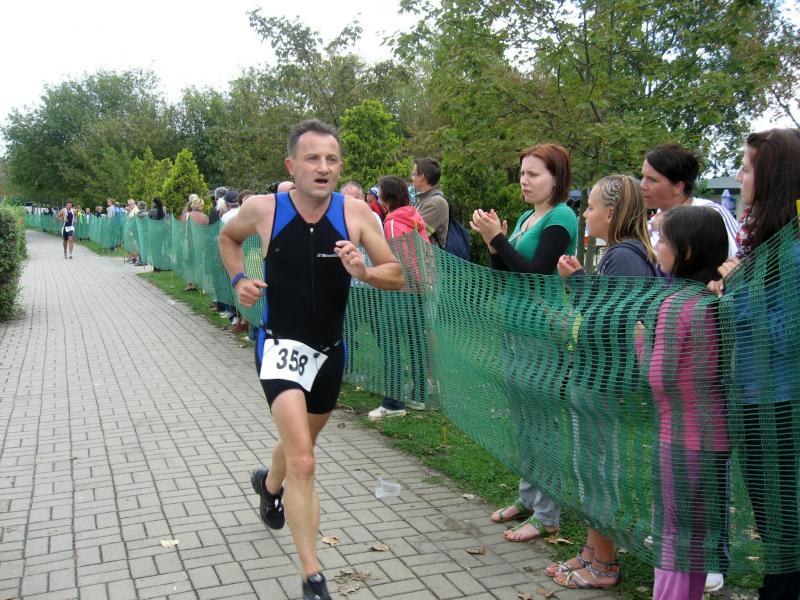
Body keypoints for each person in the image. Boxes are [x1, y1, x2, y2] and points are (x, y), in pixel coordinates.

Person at [219, 119, 403, 600]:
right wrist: (238, 281)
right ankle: (312, 576)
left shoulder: (356, 212)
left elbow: (397, 274)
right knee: (303, 458)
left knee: (298, 446)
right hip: (279, 348)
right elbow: (227, 239)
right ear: (291, 165)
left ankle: (269, 485)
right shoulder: (264, 209)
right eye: (312, 158)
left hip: (329, 354)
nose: (323, 167)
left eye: (332, 159)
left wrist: (364, 270)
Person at [552, 175, 657, 589]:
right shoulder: (619, 254)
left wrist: (576, 284)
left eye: (592, 207)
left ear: (611, 213)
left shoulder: (624, 256)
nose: (586, 215)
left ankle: (605, 564)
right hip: (596, 376)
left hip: (602, 380)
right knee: (589, 467)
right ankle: (592, 551)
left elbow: (609, 322)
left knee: (597, 470)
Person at [471, 143, 578, 542]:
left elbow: (535, 273)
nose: (524, 180)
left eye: (533, 173)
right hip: (514, 328)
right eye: (522, 173)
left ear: (556, 178)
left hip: (541, 333)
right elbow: (505, 274)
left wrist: (498, 239)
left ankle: (548, 514)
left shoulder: (561, 216)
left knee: (542, 423)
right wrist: (493, 243)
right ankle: (529, 497)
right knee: (524, 421)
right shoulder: (524, 218)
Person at [711, 128, 800, 599]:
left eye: (746, 169)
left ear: (773, 177)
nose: (740, 177)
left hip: (778, 402)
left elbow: (789, 338)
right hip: (750, 394)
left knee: (780, 510)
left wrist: (739, 293)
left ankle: (781, 589)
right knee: (770, 510)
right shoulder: (761, 241)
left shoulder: (793, 249)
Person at [634, 206, 730, 599]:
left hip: (681, 441)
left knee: (672, 537)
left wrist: (642, 341)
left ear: (685, 251)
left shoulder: (676, 305)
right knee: (698, 538)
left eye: (663, 239)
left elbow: (659, 379)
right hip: (716, 439)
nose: (656, 246)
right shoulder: (718, 299)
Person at [367, 175, 431, 420]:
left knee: (391, 343)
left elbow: (401, 260)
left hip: (400, 292)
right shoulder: (413, 215)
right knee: (416, 342)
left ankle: (393, 403)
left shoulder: (393, 222)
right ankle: (419, 396)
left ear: (387, 195)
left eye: (380, 190)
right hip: (418, 291)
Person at [642, 144, 739, 258]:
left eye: (652, 180)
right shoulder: (648, 228)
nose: (642, 185)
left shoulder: (713, 214)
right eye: (643, 177)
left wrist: (669, 229)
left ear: (678, 187)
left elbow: (742, 261)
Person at [413, 158, 449, 248]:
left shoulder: (435, 203)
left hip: (428, 256)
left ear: (421, 177)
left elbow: (414, 234)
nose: (412, 178)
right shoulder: (424, 199)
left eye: (414, 174)